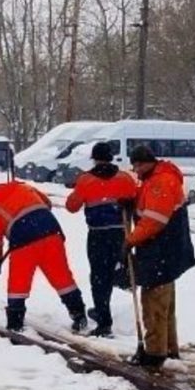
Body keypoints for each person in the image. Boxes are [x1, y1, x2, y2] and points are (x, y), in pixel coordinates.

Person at [0, 180, 89, 333]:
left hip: (24, 240)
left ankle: (15, 322)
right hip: (51, 231)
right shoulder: (21, 186)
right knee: (62, 277)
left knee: (18, 282)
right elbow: (47, 203)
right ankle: (78, 313)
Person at [125, 145, 195, 367]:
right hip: (165, 251)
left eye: (137, 166)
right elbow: (149, 206)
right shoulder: (156, 178)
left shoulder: (160, 182)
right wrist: (133, 200)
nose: (136, 171)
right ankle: (168, 347)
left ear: (146, 163)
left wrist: (131, 240)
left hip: (161, 250)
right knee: (164, 302)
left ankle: (155, 353)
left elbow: (154, 219)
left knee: (154, 301)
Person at [65, 142, 139, 337]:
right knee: (119, 267)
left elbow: (71, 207)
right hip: (121, 233)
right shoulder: (125, 178)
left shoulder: (86, 180)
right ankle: (119, 281)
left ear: (94, 159)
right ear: (111, 157)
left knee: (99, 276)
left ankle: (103, 318)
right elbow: (136, 200)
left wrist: (79, 190)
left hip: (98, 234)